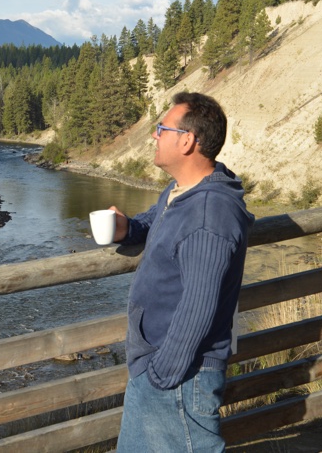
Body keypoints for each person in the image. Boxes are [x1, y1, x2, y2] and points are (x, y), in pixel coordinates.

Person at [111, 91, 254, 453]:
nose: (154, 135)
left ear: (187, 141)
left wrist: (163, 374)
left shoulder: (209, 214)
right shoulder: (185, 192)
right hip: (159, 366)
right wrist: (128, 228)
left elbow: (198, 305)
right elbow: (159, 219)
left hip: (178, 376)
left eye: (162, 129)